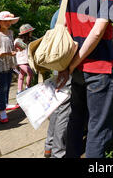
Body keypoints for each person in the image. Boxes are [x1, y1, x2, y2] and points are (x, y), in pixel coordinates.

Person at [56, 0, 113, 158]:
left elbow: (63, 23)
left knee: (76, 118)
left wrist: (69, 64)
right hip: (99, 67)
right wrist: (77, 61)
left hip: (75, 69)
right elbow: (98, 31)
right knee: (98, 128)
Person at [44, 9, 72, 158]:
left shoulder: (57, 13)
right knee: (65, 110)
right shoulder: (71, 12)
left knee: (57, 107)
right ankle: (58, 153)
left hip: (57, 65)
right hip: (66, 67)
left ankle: (49, 146)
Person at [0, 11, 20, 123]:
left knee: (8, 85)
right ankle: (2, 110)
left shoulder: (10, 32)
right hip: (1, 65)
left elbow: (10, 47)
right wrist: (6, 53)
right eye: (5, 21)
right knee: (3, 87)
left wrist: (15, 50)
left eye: (9, 21)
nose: (8, 23)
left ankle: (5, 104)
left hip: (9, 63)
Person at [14, 23, 36, 95]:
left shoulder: (29, 39)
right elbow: (23, 47)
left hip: (27, 61)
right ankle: (27, 87)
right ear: (26, 33)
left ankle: (19, 90)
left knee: (21, 75)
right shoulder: (18, 41)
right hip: (20, 62)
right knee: (30, 72)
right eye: (30, 32)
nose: (31, 33)